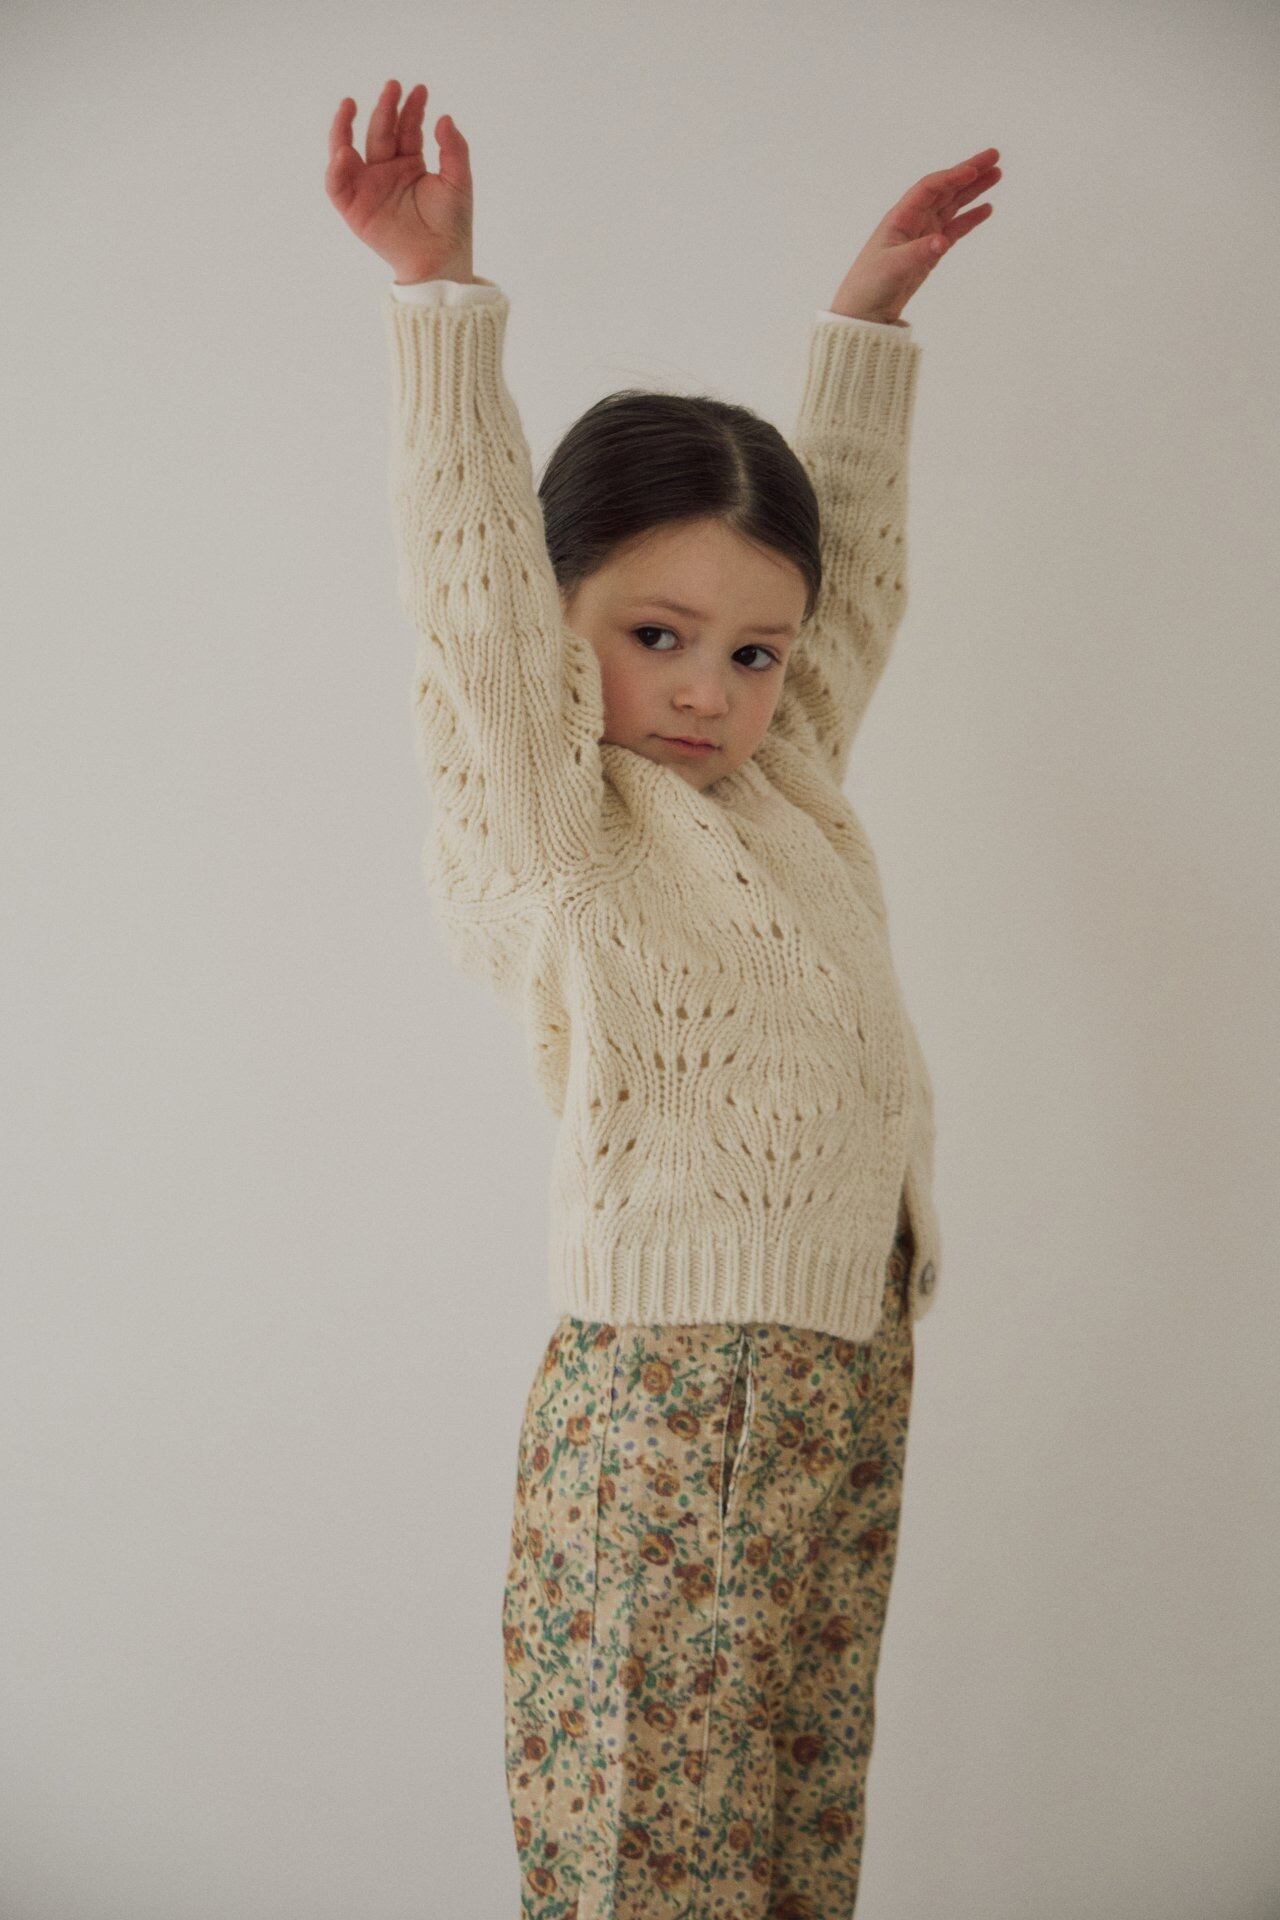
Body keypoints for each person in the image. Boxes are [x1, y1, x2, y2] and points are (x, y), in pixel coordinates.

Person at [327, 77, 999, 1919]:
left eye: (750, 652)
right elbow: (471, 602)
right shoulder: (561, 821)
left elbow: (850, 586)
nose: (712, 689)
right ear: (561, 625)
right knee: (657, 1859)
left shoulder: (785, 780)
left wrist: (864, 327)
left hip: (844, 1378)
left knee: (791, 1848)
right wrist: (437, 301)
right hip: (678, 1404)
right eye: (655, 637)